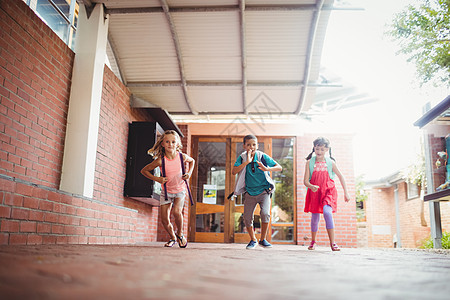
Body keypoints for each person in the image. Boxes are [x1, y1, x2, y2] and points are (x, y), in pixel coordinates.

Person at [141, 130, 195, 248]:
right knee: (165, 220)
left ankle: (180, 234)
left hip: (180, 190)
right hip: (166, 192)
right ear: (163, 144)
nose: (170, 144)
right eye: (167, 142)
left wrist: (189, 174)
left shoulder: (182, 157)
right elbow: (144, 170)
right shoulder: (161, 160)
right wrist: (157, 179)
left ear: (177, 144)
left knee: (177, 212)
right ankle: (172, 237)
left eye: (173, 142)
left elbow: (192, 161)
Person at [232, 134, 282, 249]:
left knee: (265, 214)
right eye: (248, 145)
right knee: (247, 217)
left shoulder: (262, 156)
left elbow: (279, 167)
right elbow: (234, 171)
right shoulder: (242, 157)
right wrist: (246, 162)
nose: (251, 147)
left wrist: (267, 168)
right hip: (249, 192)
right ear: (244, 146)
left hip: (264, 192)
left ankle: (263, 239)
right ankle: (253, 239)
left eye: (254, 145)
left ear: (257, 146)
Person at [303, 137, 350, 251]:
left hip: (328, 191)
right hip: (315, 192)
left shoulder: (330, 163)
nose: (319, 151)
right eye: (317, 148)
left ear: (327, 150)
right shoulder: (310, 162)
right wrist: (311, 186)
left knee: (327, 213)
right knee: (315, 217)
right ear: (314, 148)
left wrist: (346, 192)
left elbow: (341, 176)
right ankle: (313, 241)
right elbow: (305, 181)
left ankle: (333, 243)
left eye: (322, 149)